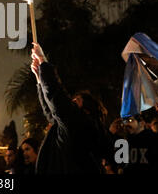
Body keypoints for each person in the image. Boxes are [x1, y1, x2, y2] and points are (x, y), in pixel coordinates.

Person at [31, 43, 113, 174]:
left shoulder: (82, 124)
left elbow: (56, 99)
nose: (72, 101)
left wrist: (42, 61)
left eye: (78, 100)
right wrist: (40, 80)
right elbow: (51, 112)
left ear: (87, 109)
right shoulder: (71, 124)